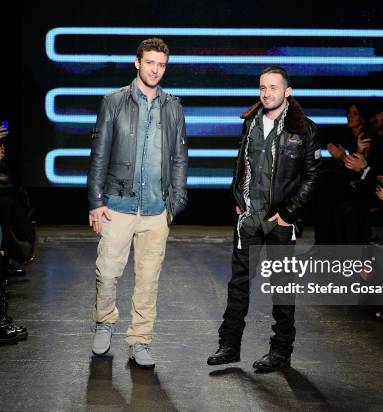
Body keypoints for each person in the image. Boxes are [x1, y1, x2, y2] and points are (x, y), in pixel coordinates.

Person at [207, 66, 321, 372]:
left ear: (288, 91)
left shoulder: (304, 129)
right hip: (249, 219)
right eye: (262, 88)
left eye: (273, 87)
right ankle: (229, 346)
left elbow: (312, 178)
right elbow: (242, 165)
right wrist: (237, 198)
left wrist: (288, 213)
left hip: (280, 221)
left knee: (282, 288)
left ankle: (281, 351)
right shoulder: (251, 122)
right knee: (239, 285)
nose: (267, 93)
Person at [87, 38, 188, 368]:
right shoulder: (114, 101)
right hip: (117, 203)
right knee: (107, 272)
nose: (155, 70)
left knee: (148, 278)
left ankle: (141, 339)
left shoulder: (173, 105)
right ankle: (104, 322)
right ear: (137, 63)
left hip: (156, 208)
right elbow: (99, 153)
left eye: (161, 65)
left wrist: (176, 201)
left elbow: (179, 157)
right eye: (150, 63)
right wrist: (95, 201)